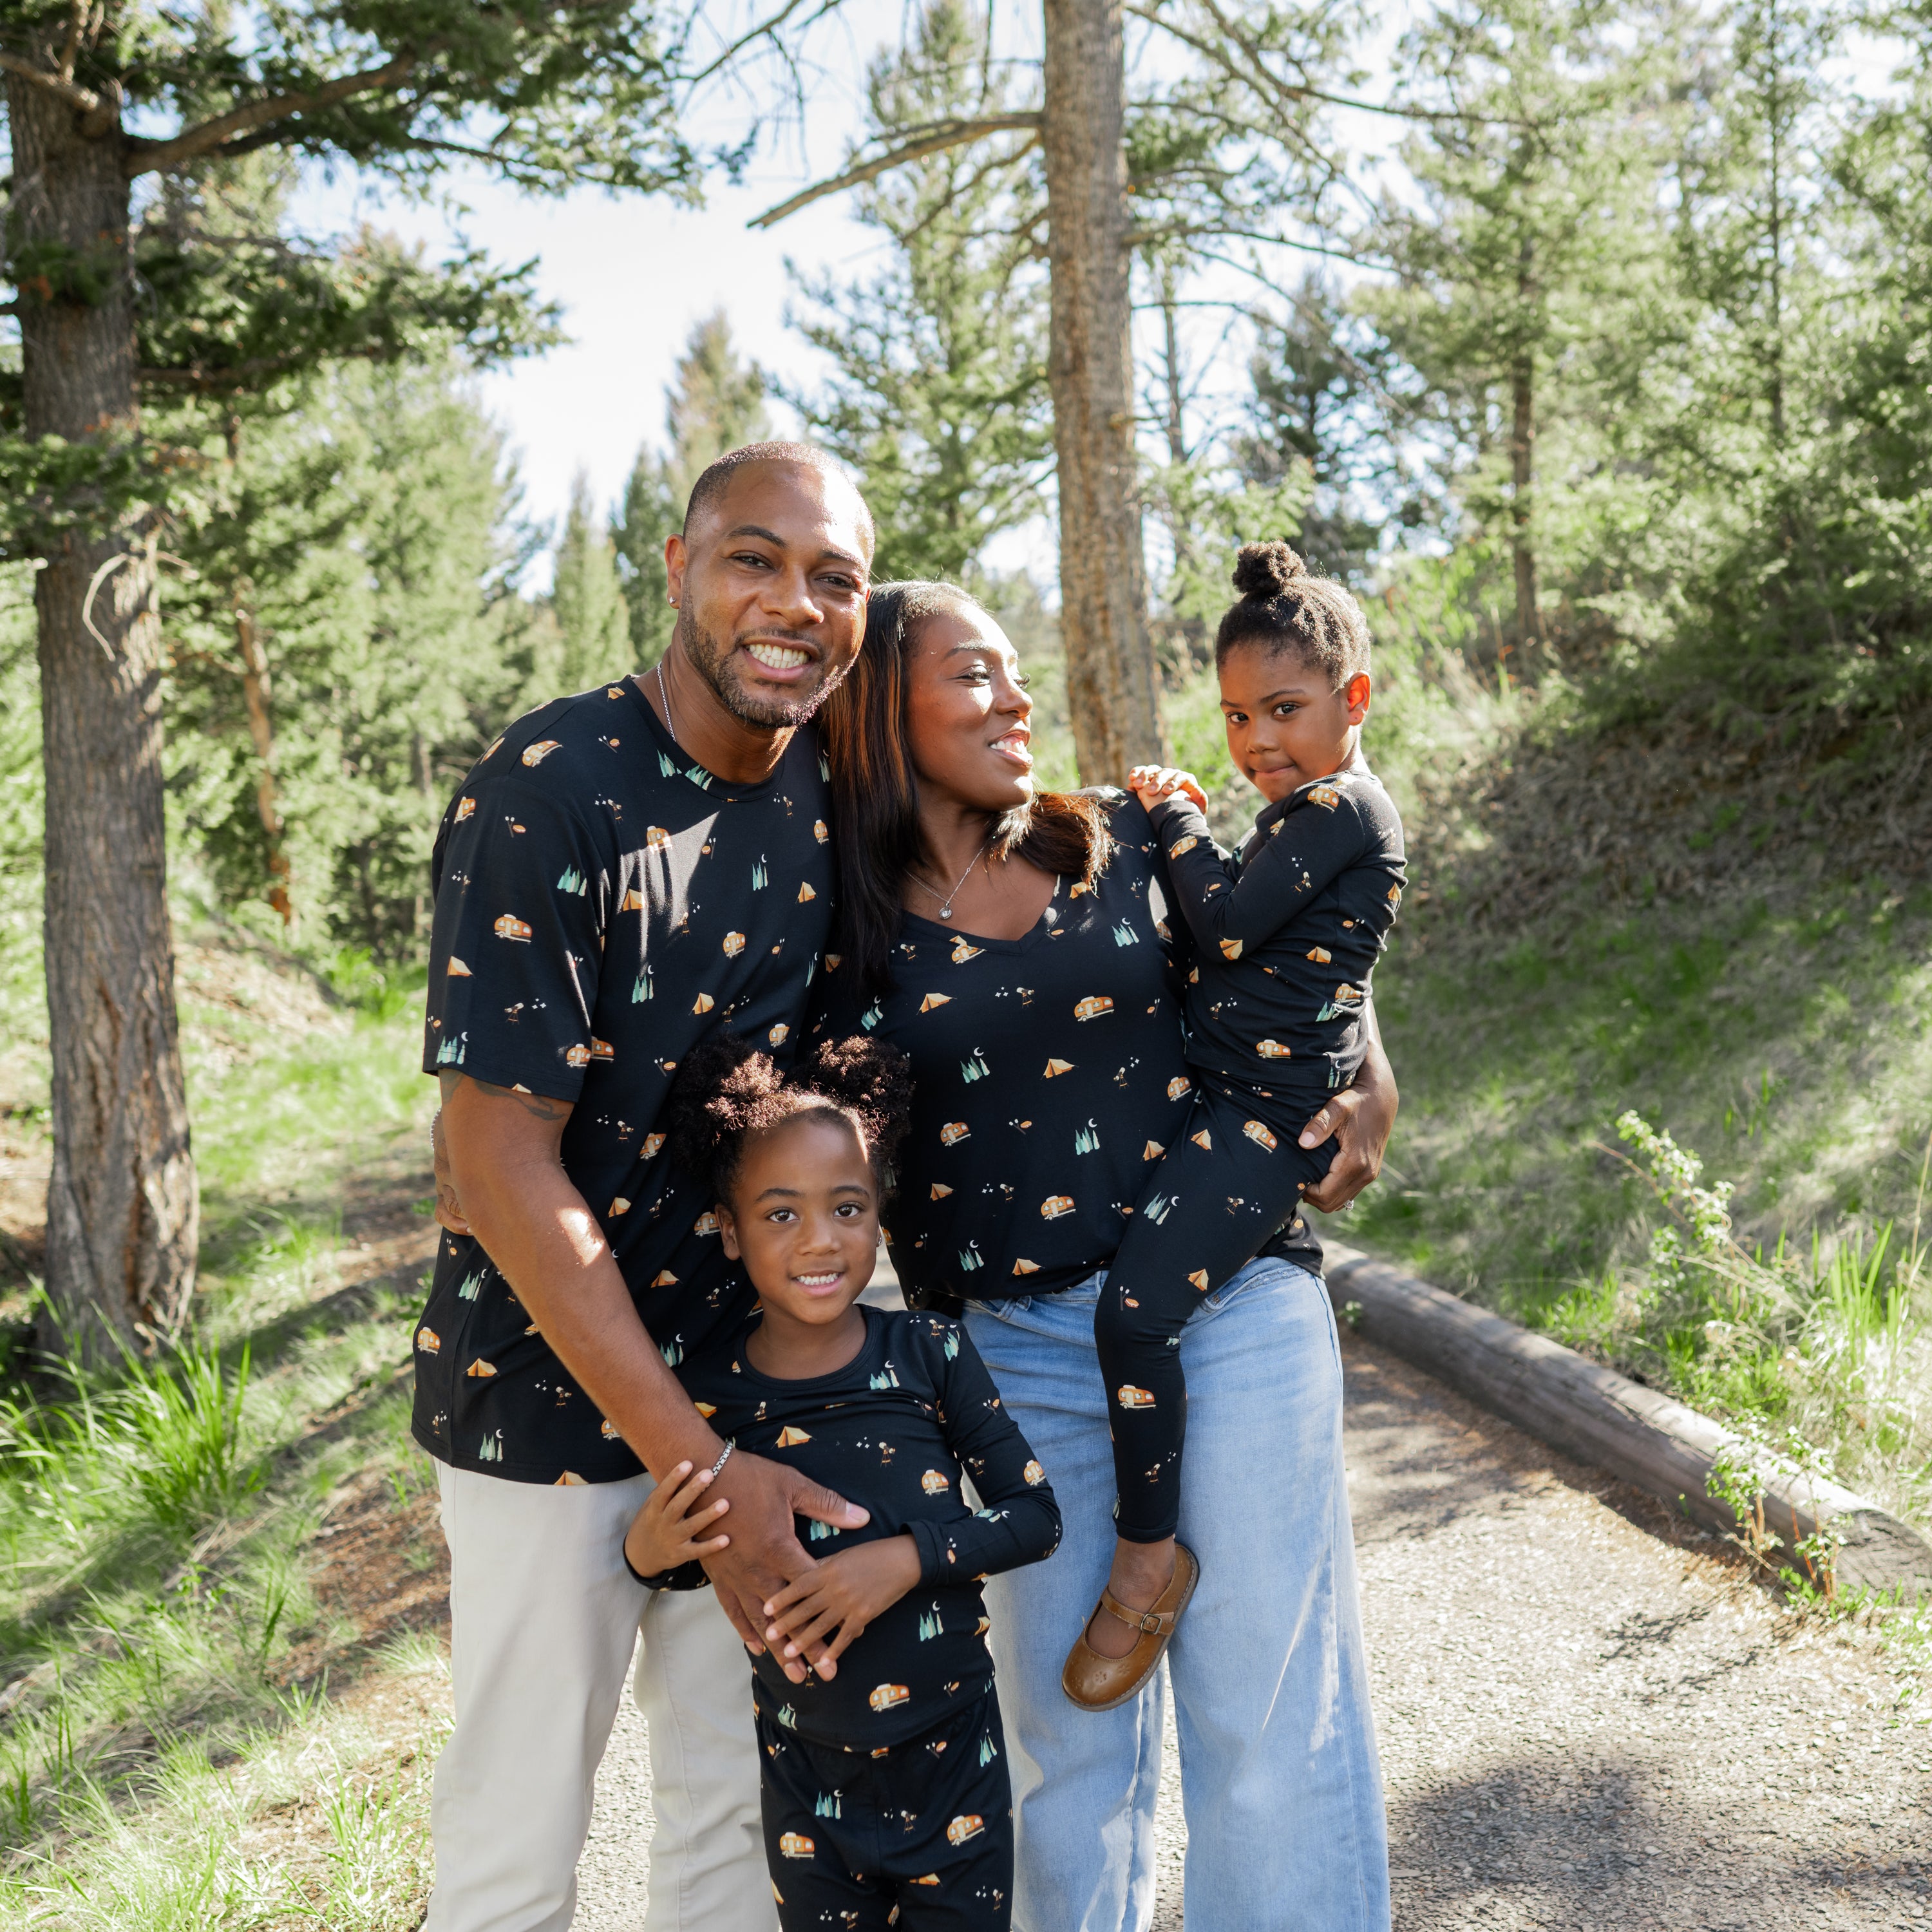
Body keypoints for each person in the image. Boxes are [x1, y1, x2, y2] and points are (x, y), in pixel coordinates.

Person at [813, 580, 1394, 1931]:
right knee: (1063, 1753)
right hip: (1013, 1352)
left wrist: (1373, 1078)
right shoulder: (843, 925)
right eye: (973, 677)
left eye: (1018, 672)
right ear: (879, 716)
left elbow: (1314, 953)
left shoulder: (1118, 835)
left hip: (1232, 1311)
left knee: (1268, 1720)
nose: (1018, 699)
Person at [416, 442, 877, 1932]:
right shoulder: (552, 789)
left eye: (833, 577)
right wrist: (704, 1474)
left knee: (736, 1829)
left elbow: (1037, 853)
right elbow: (492, 1158)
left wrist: (1348, 1018)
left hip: (750, 1395)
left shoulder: (829, 786)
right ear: (679, 571)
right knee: (516, 1846)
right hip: (543, 1405)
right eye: (755, 558)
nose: (792, 602)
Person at [1066, 540, 1406, 1709]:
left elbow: (1221, 925)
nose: (1257, 739)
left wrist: (1168, 817)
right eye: (1234, 717)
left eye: (1285, 709)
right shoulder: (1305, 806)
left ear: (1352, 700)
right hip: (1227, 1103)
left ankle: (1148, 1554)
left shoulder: (1343, 807)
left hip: (1261, 1124)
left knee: (1135, 1314)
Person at [625, 1032, 1061, 1931]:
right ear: (731, 1229)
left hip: (955, 1773)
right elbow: (670, 1562)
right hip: (805, 1783)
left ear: (879, 1216)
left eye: (848, 1207)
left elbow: (1034, 1516)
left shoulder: (930, 1352)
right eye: (781, 1214)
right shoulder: (705, 1396)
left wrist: (907, 1559)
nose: (820, 1239)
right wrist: (649, 1548)